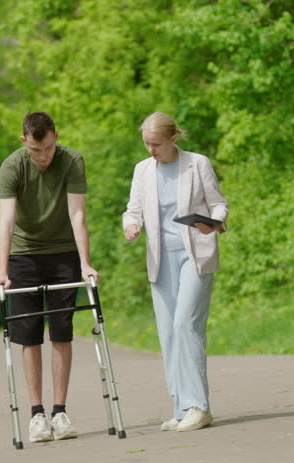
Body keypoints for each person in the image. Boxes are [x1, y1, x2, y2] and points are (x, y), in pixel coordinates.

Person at [0, 112, 100, 443]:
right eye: (37, 150)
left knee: (62, 331)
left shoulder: (71, 161)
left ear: (56, 137)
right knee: (29, 335)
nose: (44, 156)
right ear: (25, 142)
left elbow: (77, 214)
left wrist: (85, 264)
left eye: (49, 148)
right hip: (23, 254)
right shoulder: (12, 167)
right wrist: (2, 272)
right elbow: (6, 222)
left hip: (63, 252)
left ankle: (60, 411)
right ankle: (37, 414)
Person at [122, 112, 228, 432]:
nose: (150, 150)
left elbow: (218, 205)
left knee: (185, 324)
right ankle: (181, 407)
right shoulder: (143, 170)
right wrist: (131, 225)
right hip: (161, 259)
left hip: (195, 254)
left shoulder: (198, 164)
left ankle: (199, 406)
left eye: (155, 144)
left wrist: (214, 223)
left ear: (173, 139)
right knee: (168, 333)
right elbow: (133, 209)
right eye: (146, 144)